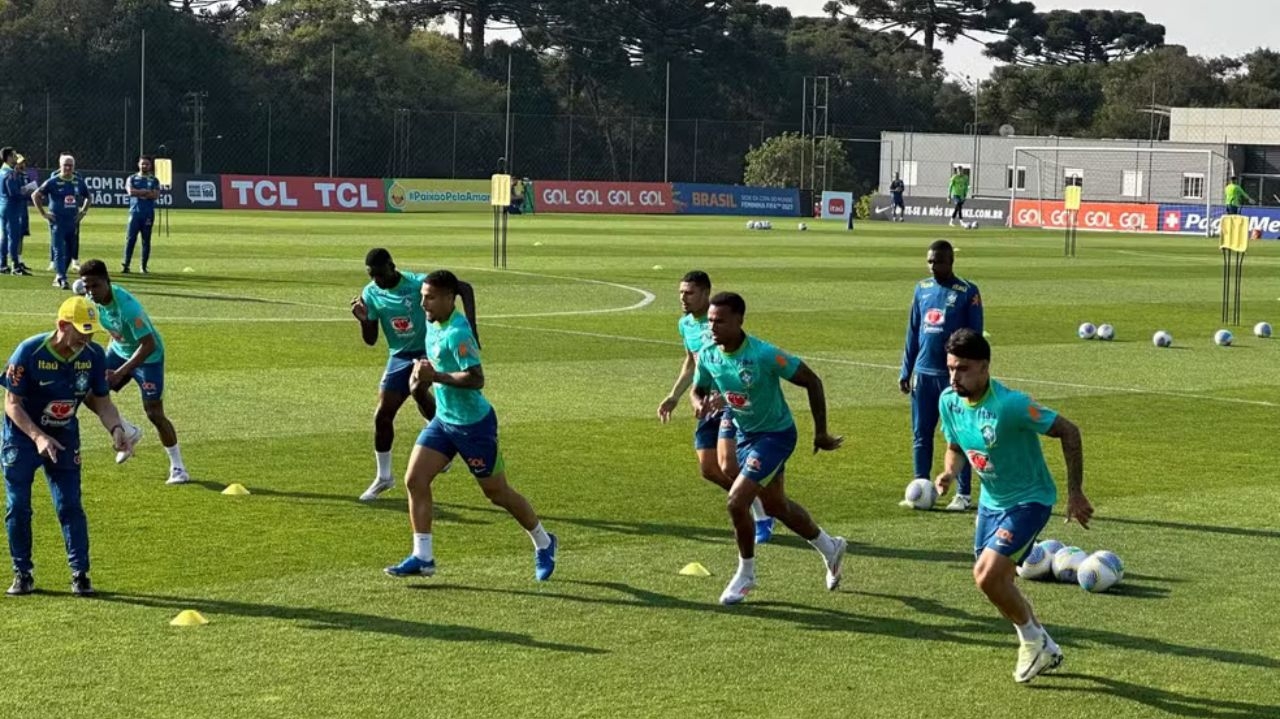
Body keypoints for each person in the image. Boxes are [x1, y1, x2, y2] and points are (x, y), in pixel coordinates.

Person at [935, 328, 1091, 683]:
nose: (955, 377)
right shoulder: (949, 400)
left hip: (1029, 500)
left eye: (963, 369)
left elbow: (1070, 431)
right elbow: (956, 447)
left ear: (985, 368)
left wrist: (1075, 493)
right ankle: (1043, 644)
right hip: (991, 503)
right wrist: (947, 473)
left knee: (986, 576)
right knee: (998, 583)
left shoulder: (1011, 405)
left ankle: (1032, 641)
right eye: (951, 368)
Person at [384, 270, 556, 581]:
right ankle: (423, 557)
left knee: (497, 493)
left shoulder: (458, 333)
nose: (423, 303)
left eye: (431, 298)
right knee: (415, 479)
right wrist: (419, 378)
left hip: (474, 426)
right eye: (422, 296)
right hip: (445, 421)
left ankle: (544, 541)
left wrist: (434, 377)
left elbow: (477, 379)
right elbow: (435, 364)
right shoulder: (433, 324)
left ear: (450, 299)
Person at [691, 292, 846, 605]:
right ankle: (831, 547)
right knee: (776, 506)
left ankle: (746, 573)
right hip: (745, 431)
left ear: (739, 321)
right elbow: (699, 389)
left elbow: (812, 381)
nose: (713, 327)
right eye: (710, 320)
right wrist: (700, 404)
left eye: (720, 321)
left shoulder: (763, 355)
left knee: (737, 502)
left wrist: (821, 433)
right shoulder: (708, 353)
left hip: (776, 435)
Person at [2, 296, 132, 596]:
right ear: (62, 325)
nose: (87, 337)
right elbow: (12, 403)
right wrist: (37, 437)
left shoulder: (94, 356)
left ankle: (80, 574)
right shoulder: (29, 352)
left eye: (91, 331)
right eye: (81, 330)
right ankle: (22, 572)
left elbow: (101, 400)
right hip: (22, 438)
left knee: (70, 504)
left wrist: (116, 428)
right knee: (18, 506)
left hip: (65, 436)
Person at [350, 248, 477, 501]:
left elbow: (464, 288)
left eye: (379, 274)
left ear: (392, 266)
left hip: (428, 350)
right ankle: (384, 477)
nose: (376, 280)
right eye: (371, 276)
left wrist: (472, 327)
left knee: (419, 392)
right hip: (399, 355)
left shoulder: (418, 283)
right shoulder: (371, 293)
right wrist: (363, 320)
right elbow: (372, 339)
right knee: (382, 415)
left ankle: (442, 448)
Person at [657, 271, 774, 543]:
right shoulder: (685, 324)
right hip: (706, 402)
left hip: (730, 402)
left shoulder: (720, 324)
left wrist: (729, 395)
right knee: (709, 469)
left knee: (728, 463)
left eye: (689, 293)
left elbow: (740, 363)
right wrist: (675, 395)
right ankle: (763, 506)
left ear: (706, 293)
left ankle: (763, 514)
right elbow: (691, 361)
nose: (683, 298)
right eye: (681, 293)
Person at [77, 260, 187, 484]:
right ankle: (127, 431)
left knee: (154, 413)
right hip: (119, 351)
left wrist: (119, 372)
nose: (90, 291)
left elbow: (148, 345)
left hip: (148, 357)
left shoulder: (128, 308)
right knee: (89, 392)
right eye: (86, 286)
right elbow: (93, 331)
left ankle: (178, 468)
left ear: (107, 281)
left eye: (95, 286)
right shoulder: (91, 302)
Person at [899, 239, 983, 511]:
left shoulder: (967, 292)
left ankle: (964, 494)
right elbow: (913, 331)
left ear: (951, 262)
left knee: (959, 436)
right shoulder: (921, 289)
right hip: (923, 375)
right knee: (921, 433)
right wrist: (906, 369)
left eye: (939, 261)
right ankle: (921, 488)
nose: (933, 266)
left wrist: (968, 376)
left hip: (952, 377)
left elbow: (975, 337)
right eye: (930, 261)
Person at [32, 154, 90, 289]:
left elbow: (88, 196)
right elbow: (35, 195)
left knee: (70, 251)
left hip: (72, 222)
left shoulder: (78, 181)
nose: (68, 168)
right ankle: (62, 278)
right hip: (58, 222)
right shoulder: (52, 182)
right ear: (60, 166)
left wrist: (83, 212)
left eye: (71, 165)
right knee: (58, 250)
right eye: (65, 165)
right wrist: (43, 213)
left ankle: (60, 275)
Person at [122, 156, 162, 274]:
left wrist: (139, 192)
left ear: (150, 166)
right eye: (142, 164)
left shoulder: (154, 180)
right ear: (138, 164)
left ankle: (143, 267)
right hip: (134, 213)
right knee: (130, 239)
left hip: (148, 214)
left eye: (147, 164)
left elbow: (155, 195)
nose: (144, 166)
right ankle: (126, 265)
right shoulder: (132, 178)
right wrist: (145, 192)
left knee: (146, 240)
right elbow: (130, 192)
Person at [0, 147, 22, 275]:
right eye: (14, 155)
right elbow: (13, 193)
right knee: (13, 237)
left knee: (4, 236)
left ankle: (2, 264)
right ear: (8, 157)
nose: (16, 158)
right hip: (11, 207)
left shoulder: (2, 171)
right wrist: (27, 193)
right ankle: (15, 265)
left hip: (3, 206)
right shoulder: (9, 173)